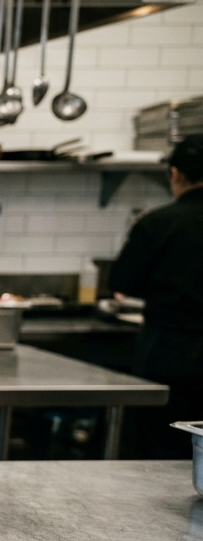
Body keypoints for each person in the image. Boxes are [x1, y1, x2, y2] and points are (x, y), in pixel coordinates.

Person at [108, 133, 203, 459]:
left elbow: (122, 281)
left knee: (160, 452)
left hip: (168, 355)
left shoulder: (159, 223)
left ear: (175, 174)